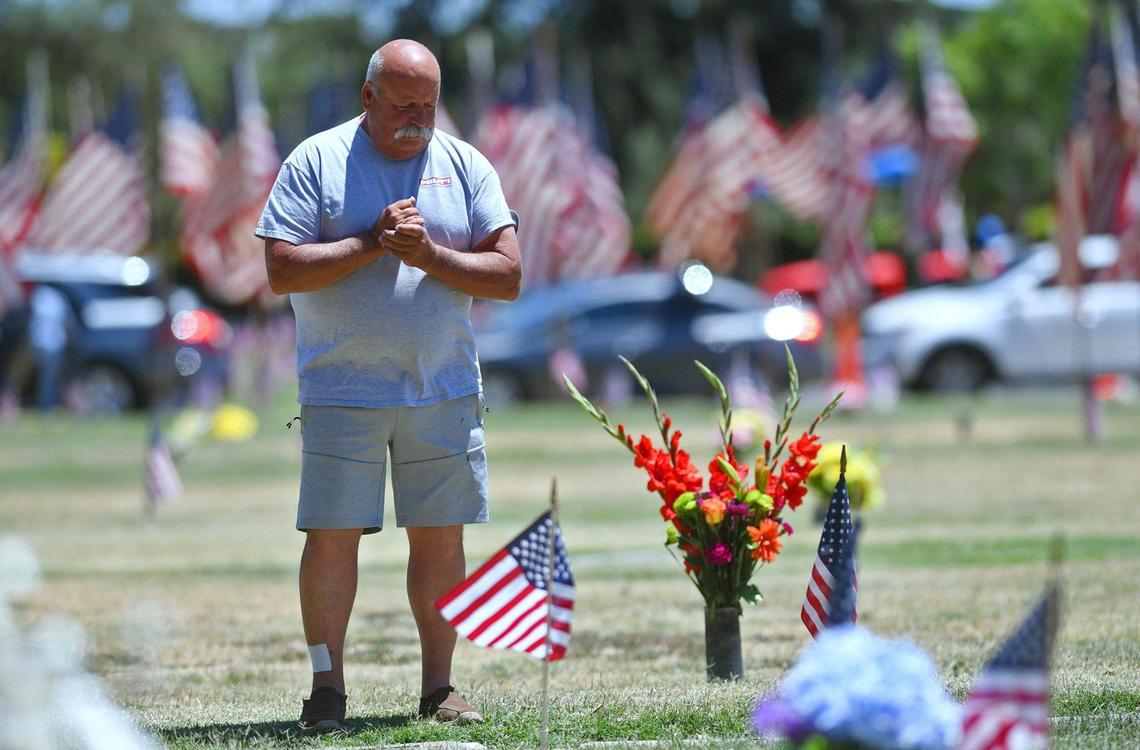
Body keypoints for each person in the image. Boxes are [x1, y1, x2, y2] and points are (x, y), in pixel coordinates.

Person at [256, 39, 520, 733]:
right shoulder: (316, 161)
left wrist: (429, 253)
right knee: (332, 538)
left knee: (440, 543)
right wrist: (371, 243)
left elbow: (510, 276)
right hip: (342, 390)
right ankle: (326, 689)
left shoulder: (465, 164)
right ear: (368, 95)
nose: (418, 119)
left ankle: (440, 688)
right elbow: (281, 269)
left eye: (428, 105)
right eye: (403, 104)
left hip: (442, 389)